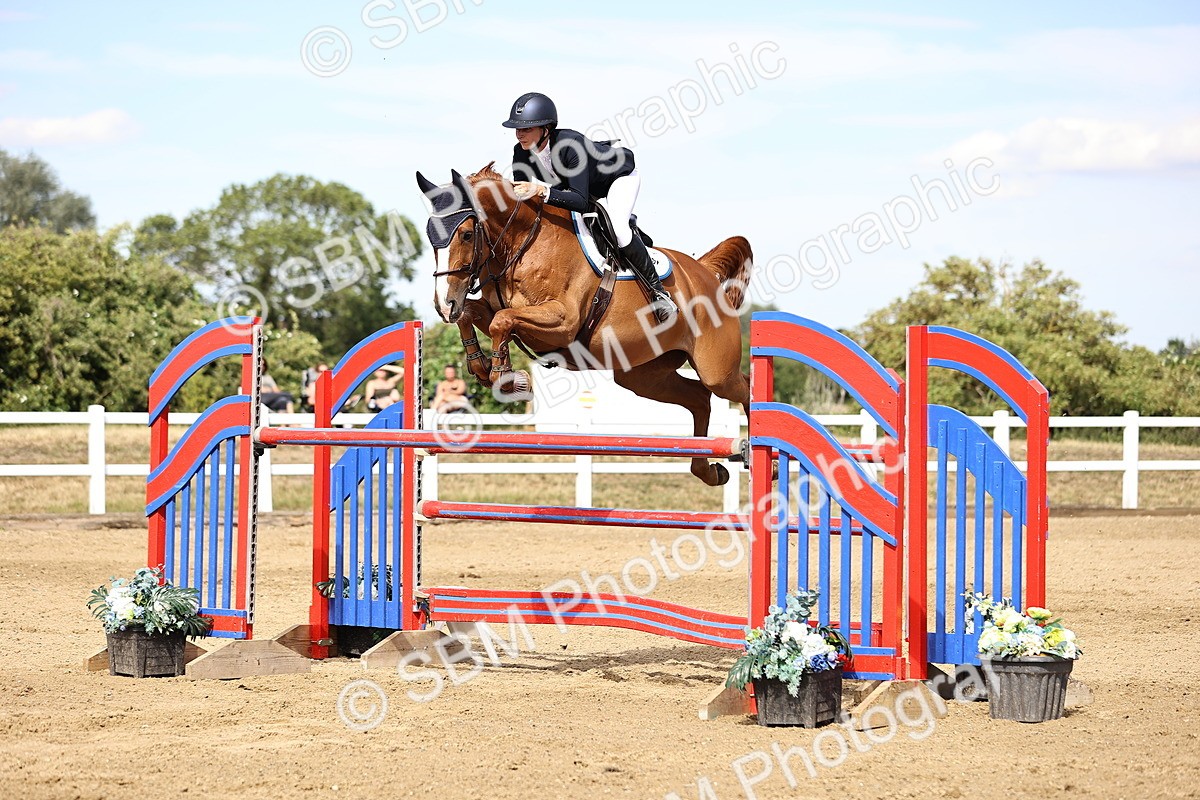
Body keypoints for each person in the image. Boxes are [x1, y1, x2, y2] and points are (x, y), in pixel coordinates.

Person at [505, 91, 676, 322]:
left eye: (526, 129)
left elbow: (580, 201)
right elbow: (520, 195)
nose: (519, 135)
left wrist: (542, 190)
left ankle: (659, 294)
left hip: (616, 178)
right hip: (579, 186)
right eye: (517, 129)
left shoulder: (570, 145)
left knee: (618, 228)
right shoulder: (521, 152)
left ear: (546, 129)